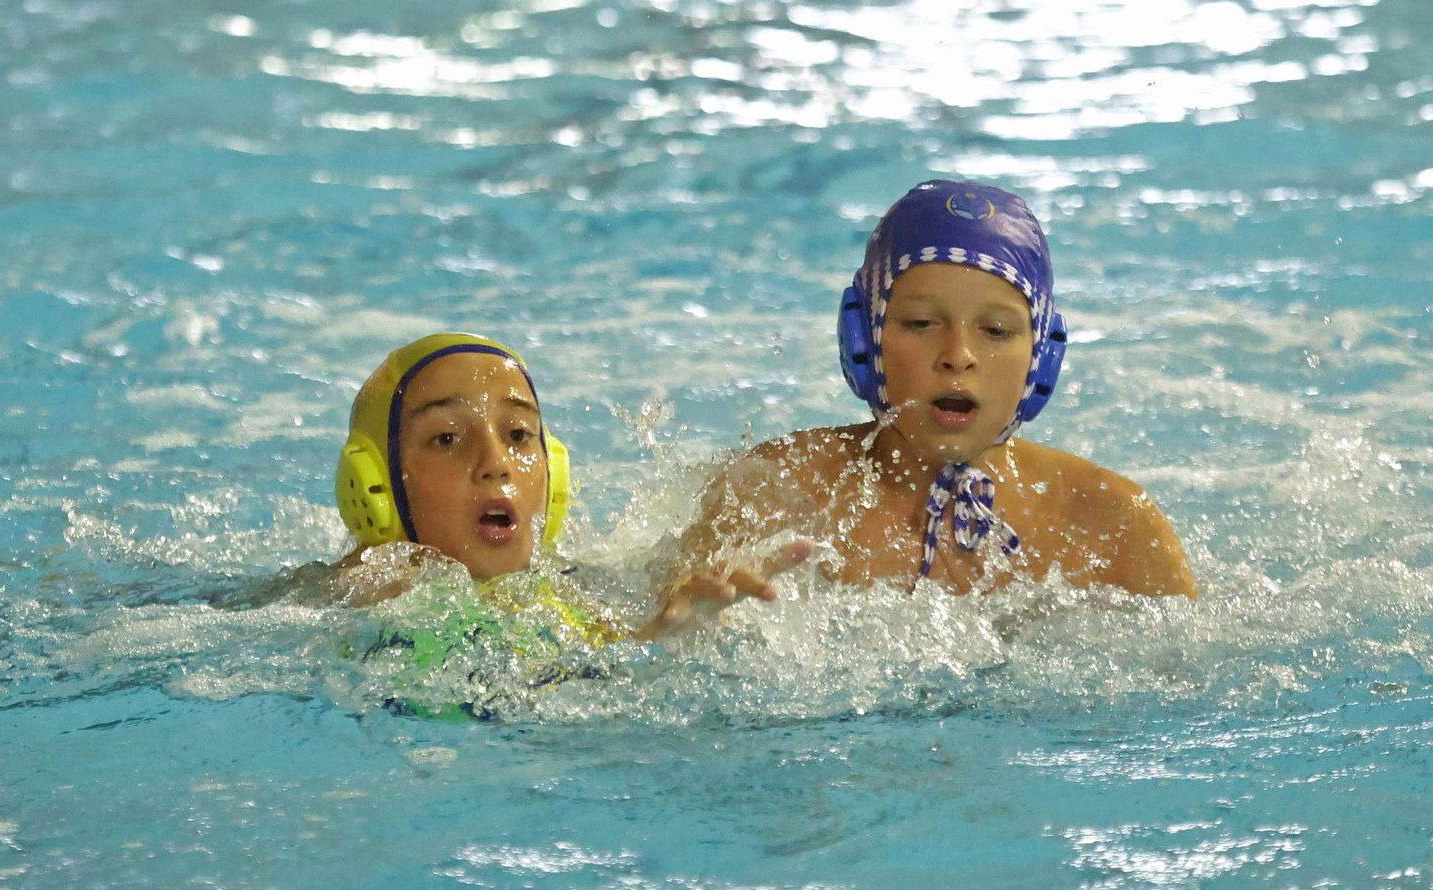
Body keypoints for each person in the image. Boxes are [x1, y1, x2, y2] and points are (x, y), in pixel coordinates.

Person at [656, 179, 1196, 620]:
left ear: (1042, 357)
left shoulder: (1114, 525)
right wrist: (686, 632)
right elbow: (646, 642)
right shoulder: (775, 493)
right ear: (864, 342)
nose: (957, 354)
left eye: (997, 331)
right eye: (920, 323)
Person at [332, 331, 809, 640]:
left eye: (518, 435)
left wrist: (684, 628)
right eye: (447, 437)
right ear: (377, 485)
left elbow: (616, 670)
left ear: (553, 473)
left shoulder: (571, 599)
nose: (496, 463)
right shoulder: (352, 601)